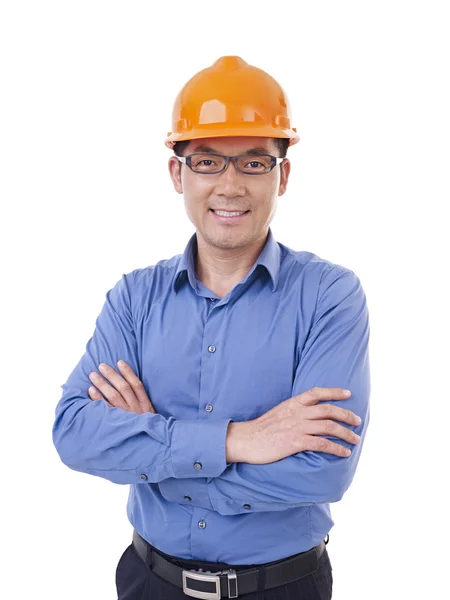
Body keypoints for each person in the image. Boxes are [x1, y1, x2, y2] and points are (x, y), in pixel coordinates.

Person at [52, 55, 370, 600]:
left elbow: (321, 473)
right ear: (178, 174)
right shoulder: (134, 298)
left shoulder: (329, 297)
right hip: (148, 582)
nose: (230, 185)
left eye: (253, 162)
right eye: (206, 162)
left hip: (284, 587)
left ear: (282, 175)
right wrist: (240, 440)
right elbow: (75, 434)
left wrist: (153, 453)